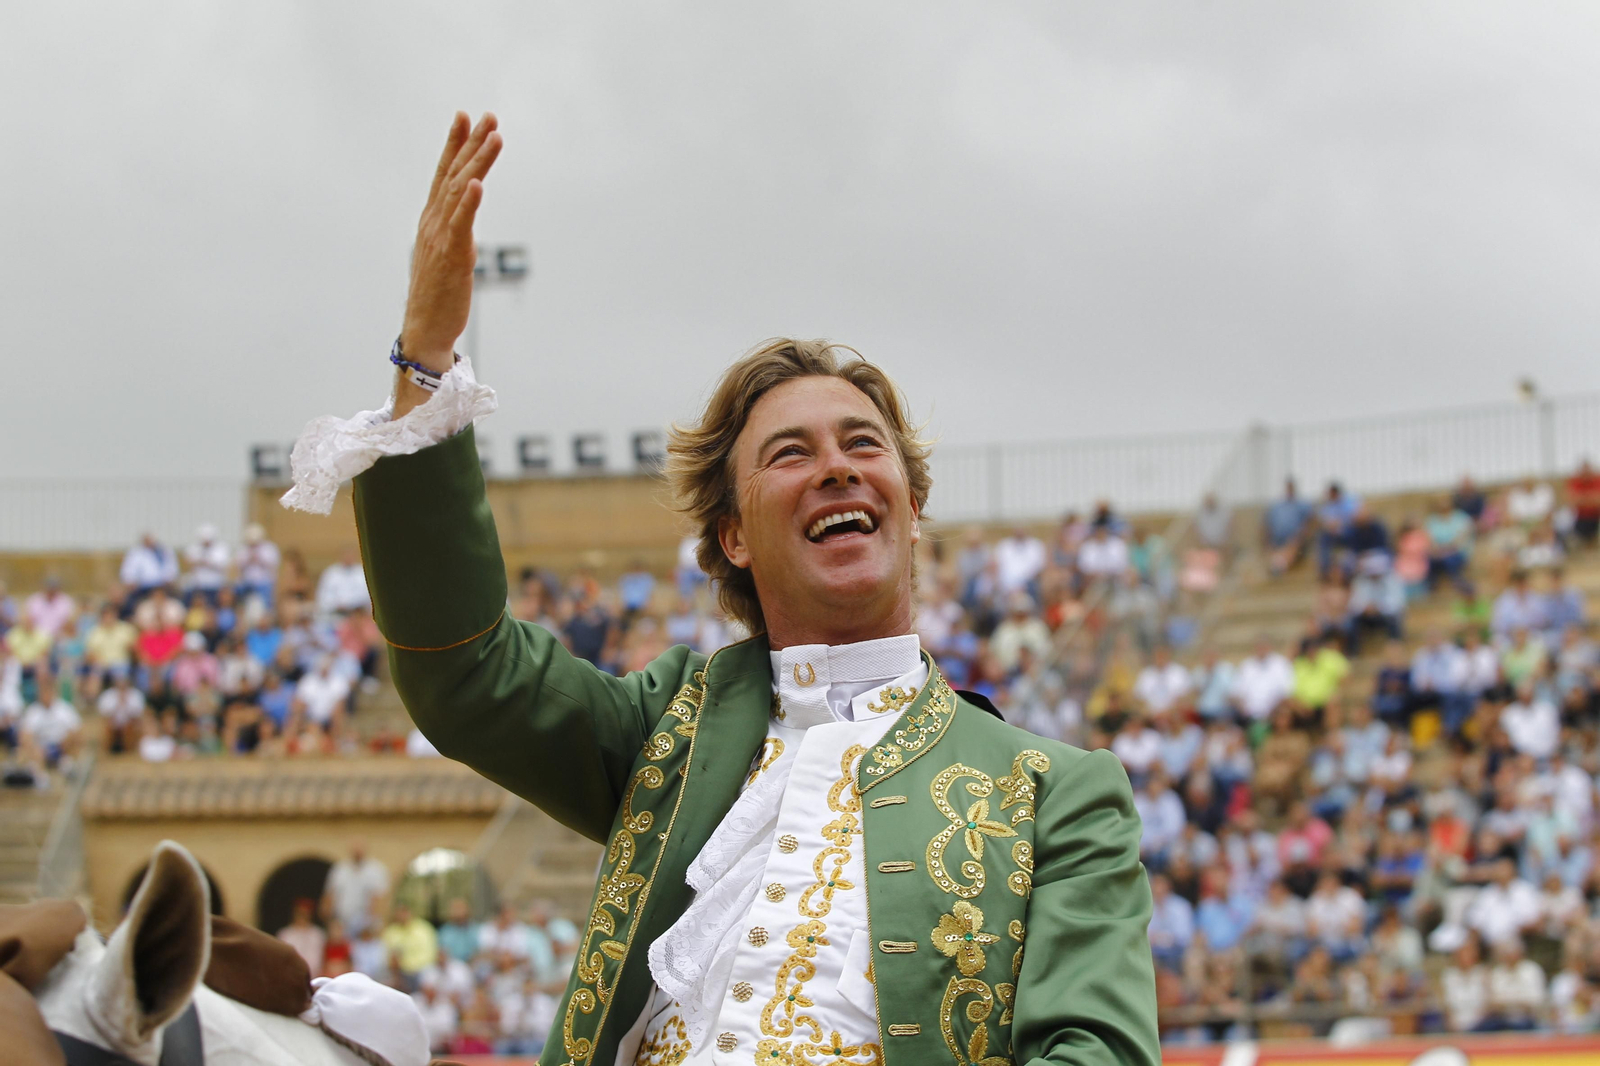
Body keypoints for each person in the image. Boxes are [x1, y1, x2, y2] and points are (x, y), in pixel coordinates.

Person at [281, 113, 1159, 1066]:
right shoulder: (672, 730)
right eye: (792, 453)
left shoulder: (1055, 796)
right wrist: (427, 353)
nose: (837, 468)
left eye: (864, 445)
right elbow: (466, 673)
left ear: (912, 510)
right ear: (732, 536)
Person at [321, 841, 391, 937]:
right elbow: (329, 895)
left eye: (360, 850)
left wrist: (372, 923)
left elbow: (380, 899)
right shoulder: (340, 869)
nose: (357, 853)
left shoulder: (376, 870)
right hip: (343, 922)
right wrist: (329, 920)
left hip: (366, 924)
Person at [315, 546, 371, 618]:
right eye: (346, 555)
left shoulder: (362, 572)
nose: (348, 557)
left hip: (358, 614)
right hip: (335, 614)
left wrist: (352, 606)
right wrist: (337, 605)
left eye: (350, 555)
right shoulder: (331, 573)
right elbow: (323, 596)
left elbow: (367, 596)